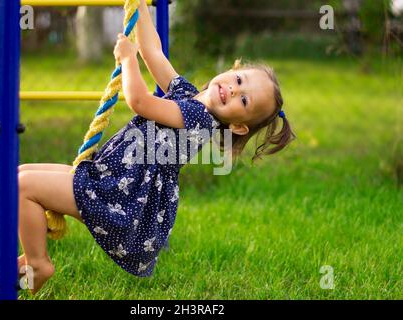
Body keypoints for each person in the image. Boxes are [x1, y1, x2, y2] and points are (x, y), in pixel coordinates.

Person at [17, 0, 295, 294]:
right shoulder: (188, 95)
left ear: (239, 127)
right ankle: (31, 254)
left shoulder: (199, 119)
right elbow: (154, 52)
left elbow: (140, 101)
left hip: (118, 198)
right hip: (109, 182)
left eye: (244, 100)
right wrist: (138, 6)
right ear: (232, 69)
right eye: (239, 79)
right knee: (22, 174)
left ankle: (38, 263)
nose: (234, 89)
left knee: (22, 186)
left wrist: (128, 60)